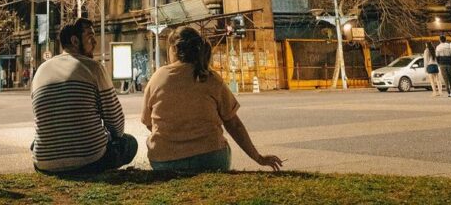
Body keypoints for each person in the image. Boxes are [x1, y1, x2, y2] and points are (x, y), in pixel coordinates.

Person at [141, 27, 283, 174]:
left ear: (175, 49)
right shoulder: (210, 77)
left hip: (164, 162)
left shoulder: (157, 78)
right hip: (210, 159)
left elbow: (147, 122)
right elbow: (234, 124)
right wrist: (258, 158)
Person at [31, 17, 137, 174]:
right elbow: (116, 124)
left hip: (44, 164)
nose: (94, 43)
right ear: (75, 41)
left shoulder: (40, 70)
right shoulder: (93, 67)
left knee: (36, 142)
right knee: (129, 142)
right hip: (90, 161)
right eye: (90, 37)